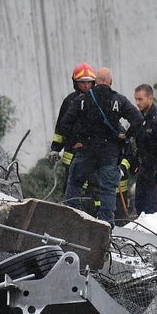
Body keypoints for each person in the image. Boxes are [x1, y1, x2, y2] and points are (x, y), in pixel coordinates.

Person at [56, 67, 144, 224]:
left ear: (95, 82)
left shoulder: (82, 100)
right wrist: (127, 135)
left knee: (75, 183)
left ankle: (71, 219)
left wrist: (76, 140)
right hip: (109, 153)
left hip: (86, 150)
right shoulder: (119, 100)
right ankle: (106, 227)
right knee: (108, 190)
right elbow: (137, 119)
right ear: (111, 82)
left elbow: (65, 123)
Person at [49, 63, 96, 185]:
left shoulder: (99, 101)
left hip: (91, 154)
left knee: (91, 191)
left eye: (89, 82)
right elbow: (60, 127)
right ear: (76, 83)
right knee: (70, 189)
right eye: (82, 82)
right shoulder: (69, 101)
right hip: (71, 153)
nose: (86, 86)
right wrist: (55, 148)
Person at [132, 84, 157, 215]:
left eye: (140, 99)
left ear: (150, 98)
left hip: (155, 171)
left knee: (154, 211)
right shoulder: (142, 117)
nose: (137, 103)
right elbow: (142, 144)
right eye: (136, 99)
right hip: (144, 168)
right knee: (140, 206)